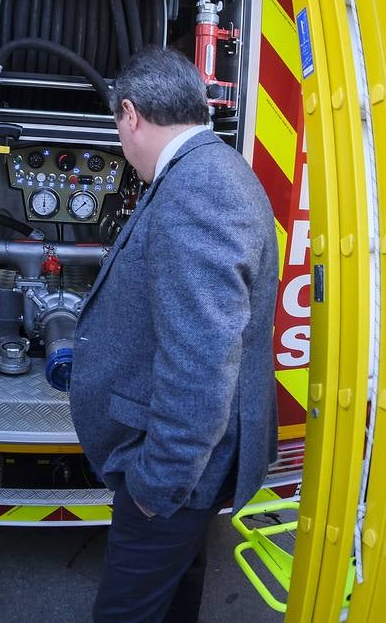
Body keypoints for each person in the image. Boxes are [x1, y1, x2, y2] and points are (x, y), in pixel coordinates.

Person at [69, 46, 279, 622]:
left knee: (126, 613)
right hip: (189, 469)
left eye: (118, 126)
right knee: (172, 601)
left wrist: (155, 485)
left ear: (130, 115)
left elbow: (202, 360)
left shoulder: (198, 189)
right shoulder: (216, 168)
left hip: (173, 476)